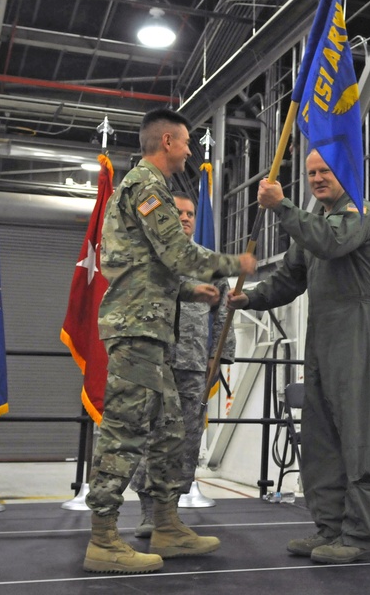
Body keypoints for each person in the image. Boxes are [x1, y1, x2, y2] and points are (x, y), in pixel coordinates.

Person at [83, 108, 257, 574]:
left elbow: (143, 264)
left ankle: (166, 524)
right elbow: (175, 251)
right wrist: (231, 265)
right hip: (137, 327)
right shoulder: (146, 185)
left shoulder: (148, 186)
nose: (189, 151)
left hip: (154, 325)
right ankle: (103, 537)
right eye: (184, 143)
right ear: (166, 140)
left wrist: (186, 289)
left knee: (170, 432)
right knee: (125, 431)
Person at [229, 150, 370, 565]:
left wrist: (281, 206)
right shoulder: (314, 224)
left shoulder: (360, 213)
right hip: (322, 332)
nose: (318, 179)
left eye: (325, 171)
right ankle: (330, 528)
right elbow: (288, 280)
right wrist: (248, 297)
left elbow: (331, 242)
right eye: (312, 173)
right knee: (321, 437)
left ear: (345, 173)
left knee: (359, 436)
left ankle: (358, 535)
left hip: (359, 328)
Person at [130, 191, 236, 538]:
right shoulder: (151, 257)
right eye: (179, 212)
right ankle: (149, 511)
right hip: (153, 362)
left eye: (191, 213)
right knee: (149, 434)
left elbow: (223, 313)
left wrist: (216, 357)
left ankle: (170, 513)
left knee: (185, 438)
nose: (187, 217)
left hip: (192, 365)